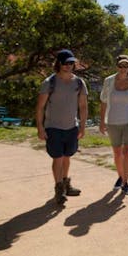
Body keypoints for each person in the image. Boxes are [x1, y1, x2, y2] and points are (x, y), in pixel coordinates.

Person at [36, 49, 88, 205]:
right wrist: (40, 127)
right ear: (58, 63)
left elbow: (83, 106)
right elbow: (40, 107)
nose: (68, 66)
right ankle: (59, 189)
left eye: (71, 63)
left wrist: (82, 126)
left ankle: (66, 184)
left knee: (67, 157)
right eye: (65, 63)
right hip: (53, 127)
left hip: (71, 127)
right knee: (57, 158)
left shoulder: (79, 83)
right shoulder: (49, 83)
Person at [99, 55, 128, 195]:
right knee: (117, 152)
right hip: (112, 121)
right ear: (116, 66)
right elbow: (104, 101)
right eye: (121, 66)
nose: (123, 68)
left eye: (126, 66)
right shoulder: (109, 81)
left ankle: (125, 183)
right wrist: (101, 121)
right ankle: (120, 176)